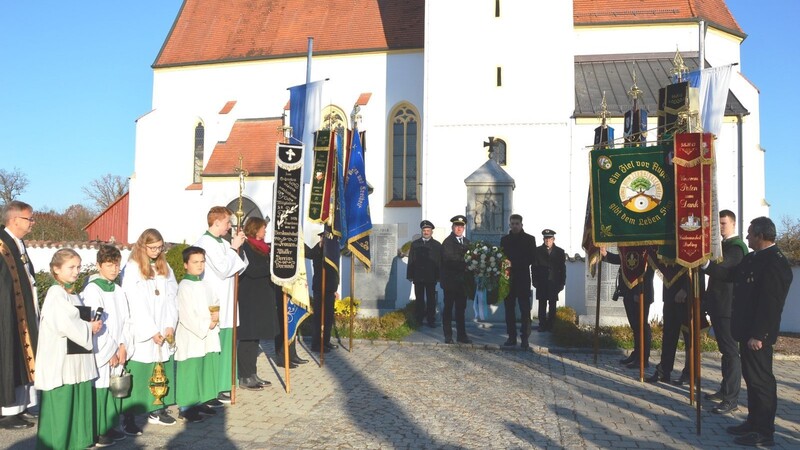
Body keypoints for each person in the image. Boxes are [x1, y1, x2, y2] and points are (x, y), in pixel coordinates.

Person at [705, 216, 793, 447]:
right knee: (752, 381)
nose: (746, 236)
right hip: (746, 331)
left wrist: (760, 335)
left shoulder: (775, 262)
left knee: (762, 383)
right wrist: (704, 265)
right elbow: (731, 275)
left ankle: (764, 433)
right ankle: (753, 423)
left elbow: (771, 304)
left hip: (757, 336)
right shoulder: (754, 257)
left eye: (750, 233)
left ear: (760, 236)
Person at [35, 249, 103, 450]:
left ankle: (75, 444)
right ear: (56, 269)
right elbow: (66, 323)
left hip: (76, 361)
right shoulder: (56, 293)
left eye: (79, 267)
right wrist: (89, 327)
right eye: (71, 267)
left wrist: (88, 325)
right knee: (62, 409)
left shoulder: (71, 293)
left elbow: (76, 320)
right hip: (61, 363)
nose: (76, 271)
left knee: (76, 407)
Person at [121, 228, 179, 432]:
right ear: (142, 246)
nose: (156, 251)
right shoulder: (132, 268)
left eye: (159, 247)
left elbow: (172, 296)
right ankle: (130, 417)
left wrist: (170, 323)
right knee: (140, 371)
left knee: (161, 370)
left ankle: (158, 409)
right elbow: (134, 302)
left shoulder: (165, 266)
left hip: (164, 326)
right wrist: (151, 330)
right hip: (144, 331)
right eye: (152, 247)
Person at [194, 206, 248, 403]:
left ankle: (224, 384)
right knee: (215, 347)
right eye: (227, 222)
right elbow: (224, 269)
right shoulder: (205, 243)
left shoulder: (222, 243)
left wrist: (237, 248)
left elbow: (239, 267)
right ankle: (213, 388)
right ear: (216, 222)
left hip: (228, 301)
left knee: (227, 346)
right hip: (216, 302)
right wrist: (234, 248)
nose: (229, 226)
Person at [81, 245, 131, 445]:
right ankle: (98, 429)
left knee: (113, 387)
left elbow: (127, 319)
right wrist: (110, 350)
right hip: (101, 349)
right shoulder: (92, 289)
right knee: (100, 387)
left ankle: (109, 425)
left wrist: (123, 345)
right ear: (98, 265)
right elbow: (97, 324)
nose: (114, 269)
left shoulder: (118, 289)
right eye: (109, 265)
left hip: (118, 347)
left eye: (117, 265)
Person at [701, 209, 747, 414]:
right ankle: (724, 390)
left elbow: (724, 269)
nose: (720, 227)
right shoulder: (723, 245)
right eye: (718, 223)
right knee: (725, 352)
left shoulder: (736, 247)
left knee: (731, 352)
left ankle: (731, 398)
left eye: (724, 223)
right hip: (719, 305)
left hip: (728, 306)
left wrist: (705, 263)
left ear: (733, 224)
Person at [0, 201, 40, 430]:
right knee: (9, 355)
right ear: (15, 220)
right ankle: (7, 411)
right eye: (29, 219)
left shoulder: (17, 243)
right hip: (7, 313)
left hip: (22, 311)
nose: (32, 223)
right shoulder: (2, 245)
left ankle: (19, 406)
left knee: (23, 356)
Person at [175, 246, 222, 424]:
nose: (200, 265)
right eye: (195, 262)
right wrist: (205, 324)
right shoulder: (184, 286)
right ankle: (186, 407)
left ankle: (200, 400)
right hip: (192, 335)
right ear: (186, 264)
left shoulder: (206, 283)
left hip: (207, 332)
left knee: (204, 368)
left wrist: (216, 315)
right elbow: (186, 314)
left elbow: (215, 302)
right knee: (190, 370)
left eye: (202, 261)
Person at [237, 217, 278, 387]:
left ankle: (252, 374)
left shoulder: (262, 247)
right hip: (249, 297)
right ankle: (245, 376)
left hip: (261, 297)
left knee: (255, 339)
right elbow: (251, 270)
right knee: (247, 338)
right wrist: (271, 268)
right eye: (263, 228)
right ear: (255, 229)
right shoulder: (246, 246)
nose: (265, 231)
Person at [601, 246, 654, 369]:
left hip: (641, 293)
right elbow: (622, 260)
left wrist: (639, 292)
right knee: (635, 326)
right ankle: (636, 354)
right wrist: (605, 254)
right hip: (628, 291)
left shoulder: (648, 248)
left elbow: (648, 272)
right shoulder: (629, 245)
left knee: (642, 326)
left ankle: (643, 358)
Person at [645, 269, 690, 385]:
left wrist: (686, 288)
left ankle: (689, 373)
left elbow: (698, 264)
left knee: (689, 337)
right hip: (670, 290)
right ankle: (664, 369)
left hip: (688, 296)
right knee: (669, 333)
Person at [499, 214, 536, 347]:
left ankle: (525, 337)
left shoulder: (530, 239)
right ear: (509, 225)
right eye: (512, 223)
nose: (514, 226)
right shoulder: (504, 240)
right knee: (509, 310)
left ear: (521, 225)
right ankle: (511, 337)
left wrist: (515, 263)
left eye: (517, 224)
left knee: (525, 310)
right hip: (508, 280)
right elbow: (502, 257)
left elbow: (532, 258)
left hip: (522, 278)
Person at [306, 230, 340, 352]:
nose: (324, 240)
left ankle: (325, 341)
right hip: (320, 288)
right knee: (319, 317)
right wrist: (320, 246)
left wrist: (335, 289)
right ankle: (316, 344)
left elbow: (334, 272)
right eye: (323, 237)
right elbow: (309, 254)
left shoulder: (333, 253)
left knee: (328, 318)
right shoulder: (318, 250)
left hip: (330, 289)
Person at [440, 215, 471, 344]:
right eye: (457, 226)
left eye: (461, 226)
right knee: (448, 309)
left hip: (462, 283)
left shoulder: (468, 242)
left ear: (464, 228)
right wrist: (466, 264)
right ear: (452, 227)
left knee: (460, 309)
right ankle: (448, 335)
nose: (459, 229)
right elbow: (449, 260)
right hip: (450, 282)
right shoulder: (447, 242)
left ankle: (461, 335)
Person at [406, 220, 442, 328]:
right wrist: (410, 275)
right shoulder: (415, 244)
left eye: (428, 230)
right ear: (422, 231)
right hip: (418, 276)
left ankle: (431, 320)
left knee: (431, 300)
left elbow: (438, 262)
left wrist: (439, 276)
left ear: (432, 232)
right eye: (424, 230)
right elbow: (411, 260)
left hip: (431, 277)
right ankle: (419, 319)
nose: (426, 232)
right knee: (419, 300)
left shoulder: (437, 245)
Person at [532, 229, 565, 333]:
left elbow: (562, 269)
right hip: (541, 282)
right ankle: (542, 325)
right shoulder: (537, 251)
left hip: (554, 282)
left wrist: (562, 282)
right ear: (543, 239)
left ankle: (551, 325)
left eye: (550, 238)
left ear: (553, 239)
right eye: (546, 238)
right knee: (542, 304)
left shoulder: (560, 252)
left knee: (552, 305)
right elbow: (534, 268)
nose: (547, 240)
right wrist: (535, 281)